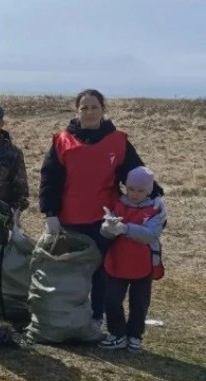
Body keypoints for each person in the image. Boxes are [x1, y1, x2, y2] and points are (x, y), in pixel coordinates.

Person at [39, 89, 165, 325]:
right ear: (77, 111)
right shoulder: (62, 140)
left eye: (94, 107)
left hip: (106, 219)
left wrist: (156, 195)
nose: (89, 112)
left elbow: (135, 173)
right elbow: (50, 178)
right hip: (69, 218)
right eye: (84, 107)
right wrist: (50, 212)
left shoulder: (118, 140)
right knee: (72, 272)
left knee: (103, 272)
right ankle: (69, 318)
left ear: (103, 110)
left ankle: (97, 317)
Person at [98, 167, 166, 353]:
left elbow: (151, 234)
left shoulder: (155, 209)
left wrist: (125, 228)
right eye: (131, 189)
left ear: (149, 190)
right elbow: (106, 232)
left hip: (143, 265)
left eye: (140, 190)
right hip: (116, 262)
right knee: (111, 300)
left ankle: (135, 336)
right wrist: (108, 227)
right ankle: (117, 334)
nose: (135, 194)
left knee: (139, 303)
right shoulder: (117, 204)